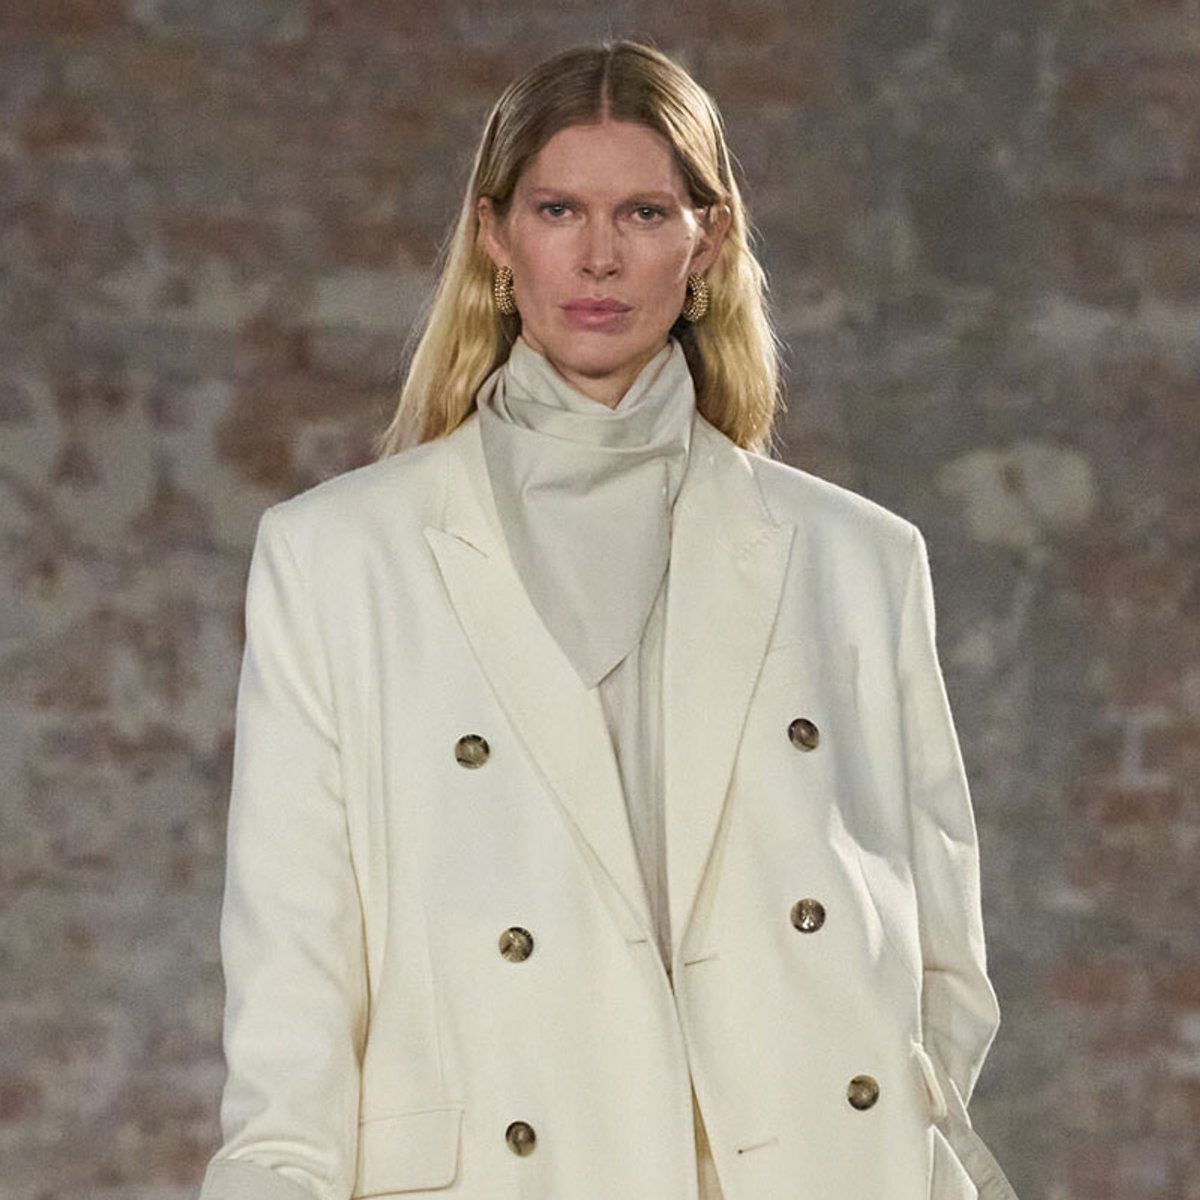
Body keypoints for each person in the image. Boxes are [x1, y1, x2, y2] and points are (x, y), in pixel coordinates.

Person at [198, 40, 1017, 1200]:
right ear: (495, 237)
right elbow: (295, 974)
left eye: (642, 211)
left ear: (709, 240)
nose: (597, 255)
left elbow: (942, 955)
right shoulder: (340, 556)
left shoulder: (858, 559)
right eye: (557, 208)